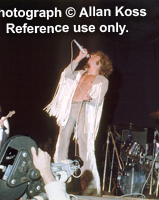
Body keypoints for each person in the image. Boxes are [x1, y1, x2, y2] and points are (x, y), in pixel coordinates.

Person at [44, 48, 113, 195]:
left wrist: (89, 98)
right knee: (61, 142)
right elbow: (65, 75)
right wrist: (78, 57)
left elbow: (98, 100)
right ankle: (59, 177)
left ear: (100, 63)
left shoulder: (102, 80)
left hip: (84, 109)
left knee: (84, 145)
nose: (92, 55)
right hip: (70, 108)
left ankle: (90, 186)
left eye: (96, 56)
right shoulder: (80, 74)